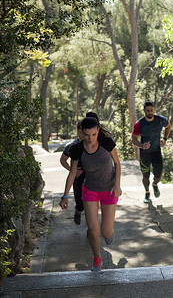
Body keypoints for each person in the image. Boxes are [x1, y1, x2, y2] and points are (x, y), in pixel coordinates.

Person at [59, 116, 122, 271]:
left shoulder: (107, 143)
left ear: (97, 131)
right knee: (93, 230)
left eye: (93, 134)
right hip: (90, 191)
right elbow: (72, 172)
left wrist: (117, 184)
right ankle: (97, 259)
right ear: (82, 133)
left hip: (108, 190)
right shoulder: (77, 149)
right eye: (87, 135)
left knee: (105, 232)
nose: (90, 138)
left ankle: (109, 233)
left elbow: (117, 163)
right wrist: (65, 195)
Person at [131, 101, 171, 203]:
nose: (150, 113)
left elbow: (168, 126)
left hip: (156, 152)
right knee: (145, 176)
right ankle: (147, 192)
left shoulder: (160, 120)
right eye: (147, 111)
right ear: (144, 111)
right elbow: (133, 139)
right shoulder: (139, 124)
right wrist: (142, 145)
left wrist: (165, 139)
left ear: (154, 110)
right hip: (145, 154)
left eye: (151, 110)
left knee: (158, 175)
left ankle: (155, 184)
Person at [60, 121, 85, 225]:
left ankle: (91, 230)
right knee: (80, 203)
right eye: (83, 131)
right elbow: (62, 160)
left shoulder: (94, 145)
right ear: (79, 131)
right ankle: (78, 210)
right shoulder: (71, 146)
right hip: (77, 177)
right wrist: (72, 170)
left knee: (91, 205)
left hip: (90, 178)